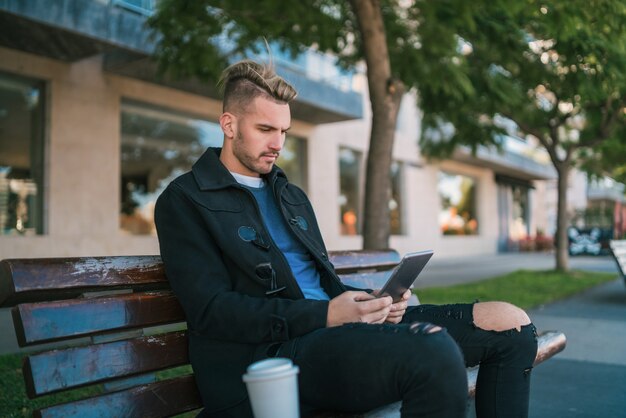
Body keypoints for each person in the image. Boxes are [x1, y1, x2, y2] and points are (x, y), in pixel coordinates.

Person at [154, 59, 538, 418]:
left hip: (336, 333)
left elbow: (321, 283)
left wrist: (372, 302)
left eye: (284, 131)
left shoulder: (290, 196)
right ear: (229, 124)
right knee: (433, 350)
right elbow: (211, 311)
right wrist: (326, 314)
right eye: (265, 130)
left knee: (511, 326)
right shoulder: (186, 200)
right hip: (268, 360)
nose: (278, 144)